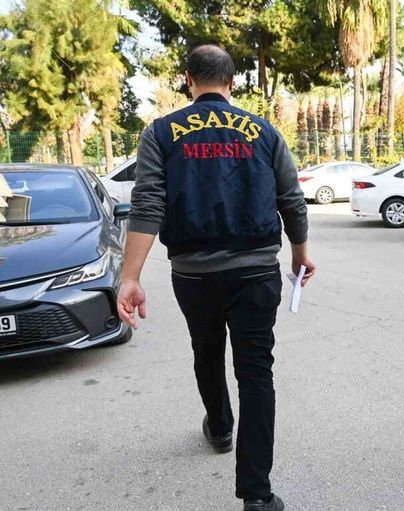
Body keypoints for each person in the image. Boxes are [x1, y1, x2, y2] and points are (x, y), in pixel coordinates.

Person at [117, 45, 315, 511]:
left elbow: (148, 203)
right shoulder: (264, 131)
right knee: (256, 372)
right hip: (256, 272)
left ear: (189, 79)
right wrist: (300, 254)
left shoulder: (161, 133)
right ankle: (257, 495)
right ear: (232, 82)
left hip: (194, 275)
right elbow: (291, 199)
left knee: (206, 352)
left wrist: (130, 276)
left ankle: (221, 428)